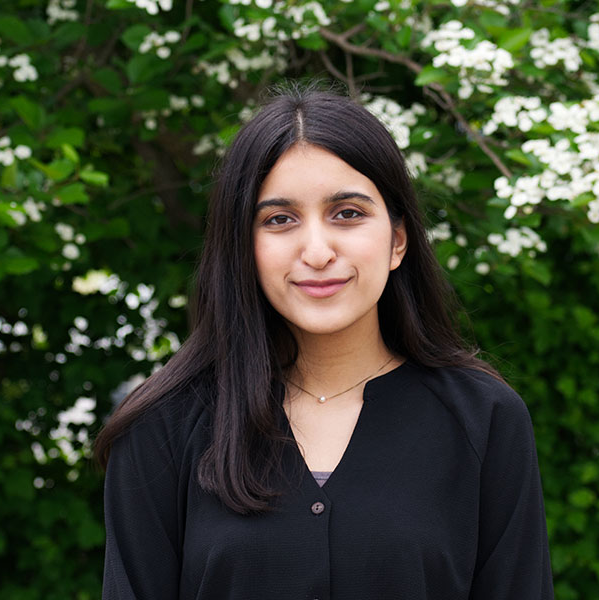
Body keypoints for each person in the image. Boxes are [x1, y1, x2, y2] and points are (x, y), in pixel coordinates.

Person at [94, 85, 554, 599]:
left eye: (348, 214)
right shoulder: (163, 427)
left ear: (398, 240)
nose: (316, 251)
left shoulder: (484, 419)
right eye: (280, 220)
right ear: (244, 247)